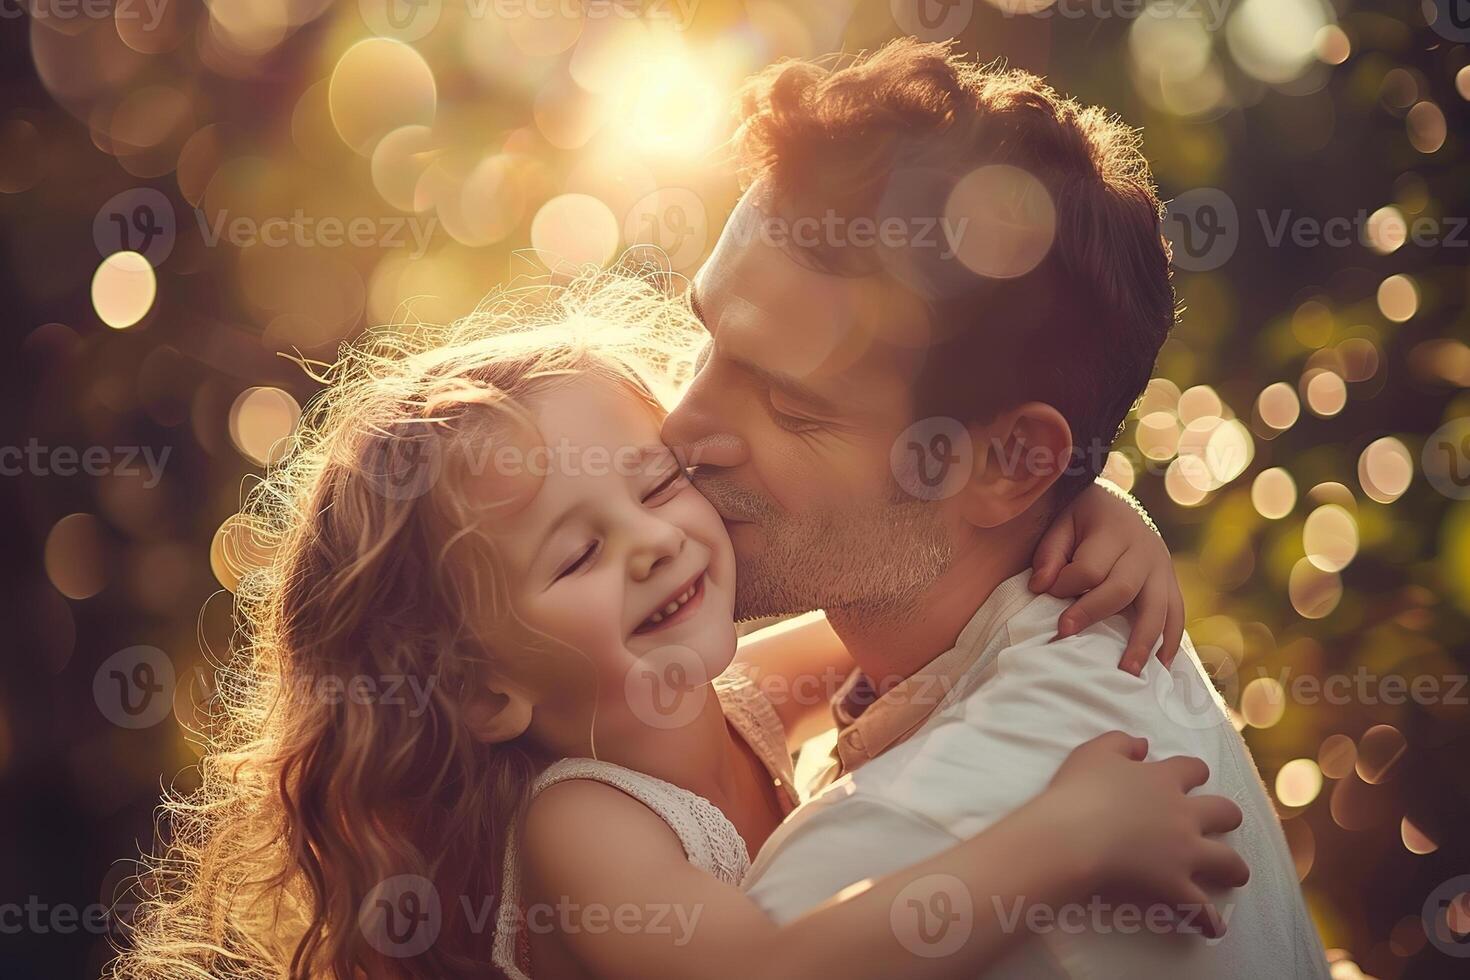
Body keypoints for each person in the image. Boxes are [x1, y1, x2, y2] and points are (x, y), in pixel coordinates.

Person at [110, 274, 1242, 980]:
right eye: (575, 552)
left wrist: (1090, 507)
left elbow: (936, 585)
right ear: (480, 689)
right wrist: (1072, 837)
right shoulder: (581, 829)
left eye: (651, 487)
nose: (649, 543)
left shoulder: (724, 691)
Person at [658, 38, 1330, 978]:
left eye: (789, 404)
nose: (680, 430)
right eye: (706, 341)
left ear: (1013, 465)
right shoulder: (1047, 648)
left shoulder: (889, 857)